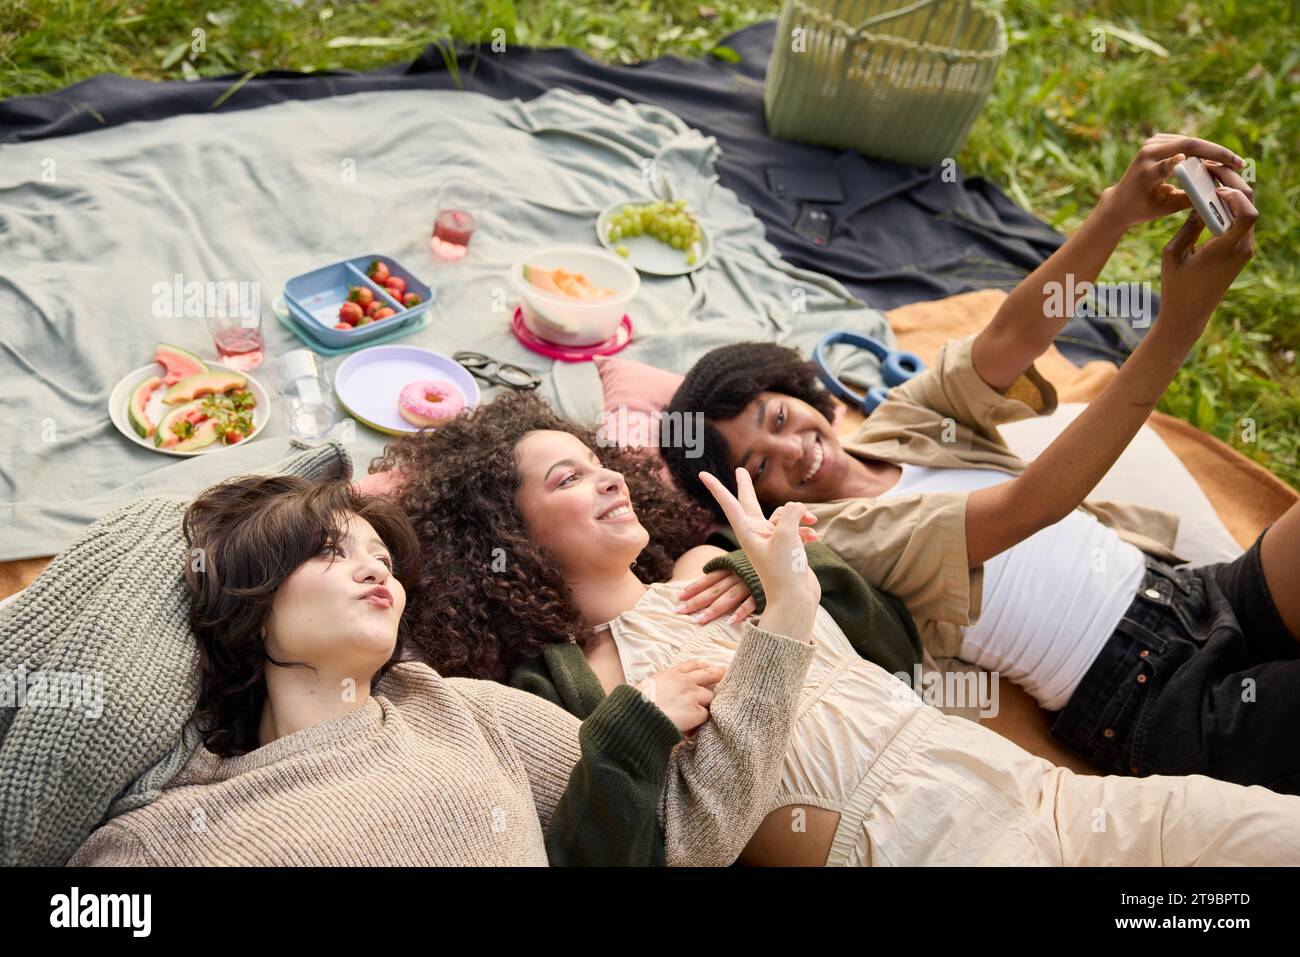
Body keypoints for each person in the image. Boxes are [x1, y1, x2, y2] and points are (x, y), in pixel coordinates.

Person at [377, 391, 1300, 866]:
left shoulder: (709, 568)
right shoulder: (568, 687)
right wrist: (638, 725)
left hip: (1051, 798)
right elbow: (614, 852)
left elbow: (895, 643)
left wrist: (782, 573)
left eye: (595, 462)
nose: (609, 479)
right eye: (565, 481)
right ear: (510, 536)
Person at [661, 134, 1299, 794]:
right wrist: (1177, 326)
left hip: (1189, 591)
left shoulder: (900, 426)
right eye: (761, 464)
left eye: (778, 417)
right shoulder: (846, 538)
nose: (792, 449)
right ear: (757, 501)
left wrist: (1114, 213)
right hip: (1146, 696)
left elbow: (1010, 340)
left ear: (793, 387)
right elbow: (1030, 506)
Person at [68, 472, 816, 866]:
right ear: (251, 606)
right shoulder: (167, 829)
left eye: (383, 559)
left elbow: (682, 833)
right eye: (331, 552)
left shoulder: (463, 711)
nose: (375, 572)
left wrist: (788, 610)